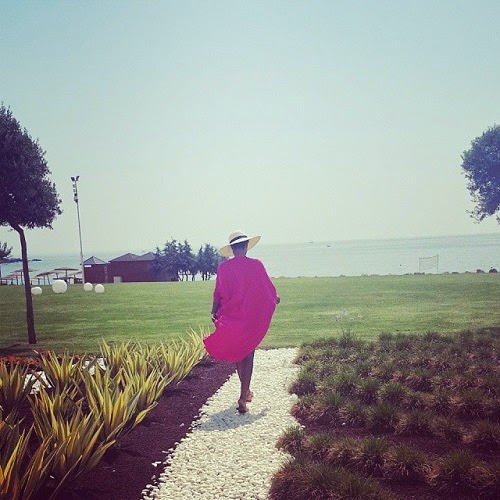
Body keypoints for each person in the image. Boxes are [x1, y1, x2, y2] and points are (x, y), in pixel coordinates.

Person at [203, 230, 280, 414]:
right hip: (250, 318)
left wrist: (213, 311)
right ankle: (243, 395)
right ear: (245, 247)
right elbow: (266, 289)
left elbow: (218, 293)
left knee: (239, 354)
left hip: (231, 318)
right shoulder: (256, 265)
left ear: (232, 249)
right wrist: (274, 299)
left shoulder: (224, 268)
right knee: (248, 353)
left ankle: (246, 392)